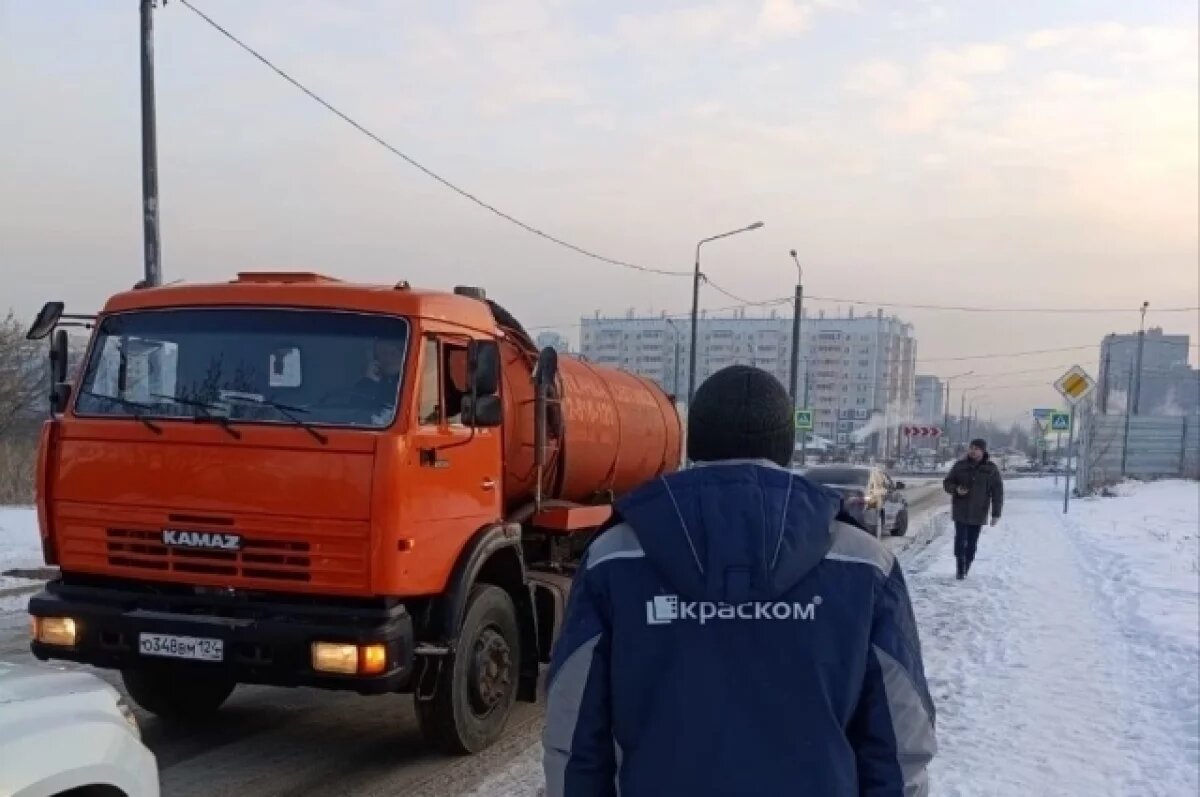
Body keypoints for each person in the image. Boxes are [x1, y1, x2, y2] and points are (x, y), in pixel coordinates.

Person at [543, 365, 936, 797]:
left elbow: (575, 733)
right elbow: (899, 745)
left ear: (696, 442)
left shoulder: (614, 558)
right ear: (786, 446)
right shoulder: (865, 564)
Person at [942, 438, 1004, 580]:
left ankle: (967, 564)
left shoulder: (991, 469)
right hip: (961, 510)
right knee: (960, 541)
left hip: (978, 511)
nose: (973, 451)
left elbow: (997, 492)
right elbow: (947, 483)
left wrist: (996, 514)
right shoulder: (959, 466)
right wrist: (956, 489)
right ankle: (960, 567)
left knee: (971, 543)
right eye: (971, 448)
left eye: (976, 449)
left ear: (983, 451)